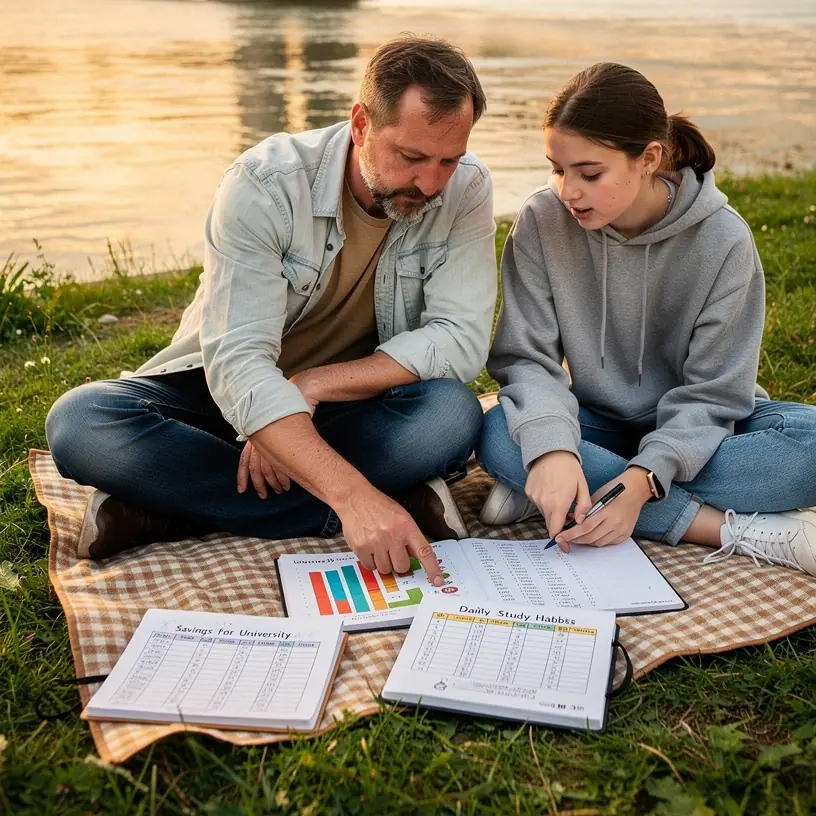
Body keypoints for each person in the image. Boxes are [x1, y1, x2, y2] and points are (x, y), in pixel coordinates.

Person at [47, 37, 497, 586]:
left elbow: (461, 339)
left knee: (450, 416)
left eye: (448, 159)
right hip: (218, 401)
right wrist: (353, 497)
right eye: (411, 157)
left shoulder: (466, 189)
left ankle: (160, 511)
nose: (430, 183)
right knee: (81, 423)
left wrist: (313, 385)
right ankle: (383, 498)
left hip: (351, 404)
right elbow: (238, 363)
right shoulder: (265, 184)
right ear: (360, 125)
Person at [478, 62, 816, 576]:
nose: (568, 190)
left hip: (702, 435)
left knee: (808, 445)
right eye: (557, 168)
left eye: (590, 173)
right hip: (593, 420)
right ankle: (724, 528)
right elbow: (527, 360)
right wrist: (552, 449)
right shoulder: (542, 222)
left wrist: (645, 479)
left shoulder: (723, 241)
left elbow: (715, 394)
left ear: (649, 158)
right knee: (500, 432)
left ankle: (568, 491)